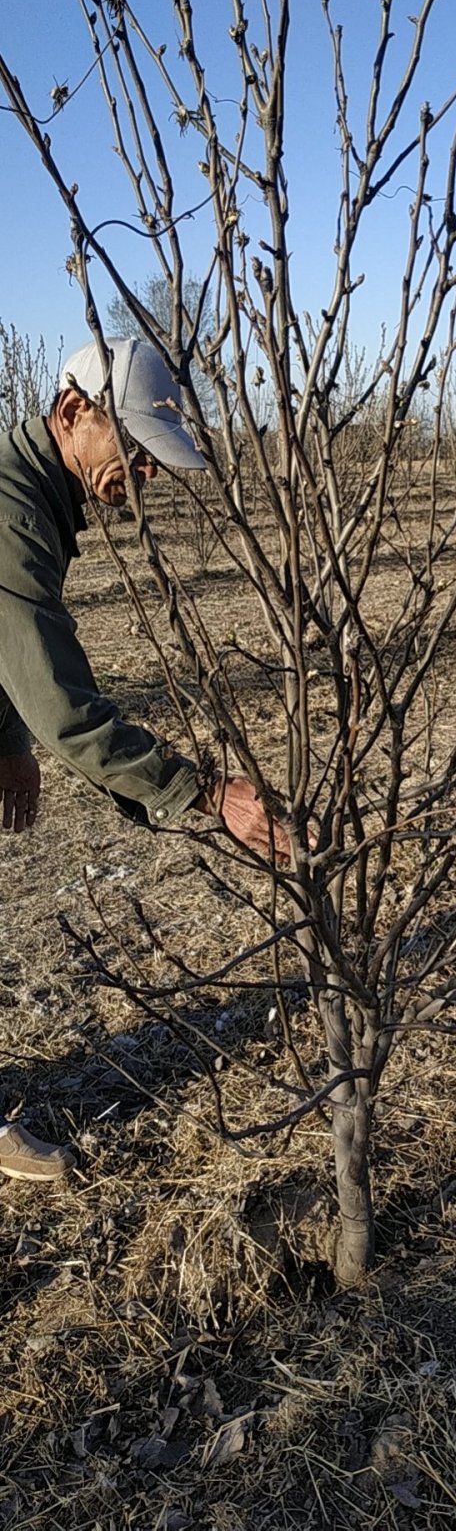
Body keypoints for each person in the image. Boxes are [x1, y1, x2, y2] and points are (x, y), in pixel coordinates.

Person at [0, 337, 290, 1182]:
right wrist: (203, 793)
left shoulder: (34, 495)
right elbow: (69, 710)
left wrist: (8, 744)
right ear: (71, 414)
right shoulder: (15, 515)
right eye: (133, 449)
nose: (145, 475)